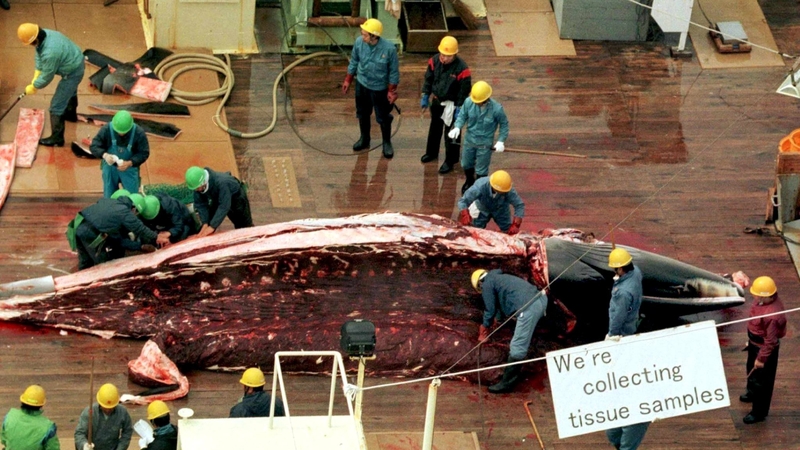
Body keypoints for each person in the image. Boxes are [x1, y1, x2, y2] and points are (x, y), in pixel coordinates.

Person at [471, 269, 547, 393]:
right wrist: (498, 320)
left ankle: (507, 383)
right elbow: (500, 304)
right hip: (541, 300)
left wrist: (484, 328)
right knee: (526, 330)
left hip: (529, 308)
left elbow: (489, 309)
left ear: (479, 284)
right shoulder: (500, 278)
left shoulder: (487, 284)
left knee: (517, 347)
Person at [604, 247, 649, 450]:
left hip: (623, 330)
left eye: (615, 269)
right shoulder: (636, 272)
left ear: (621, 269)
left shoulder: (622, 293)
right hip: (634, 321)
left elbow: (618, 317)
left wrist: (612, 336)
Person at [17, 23, 84, 147]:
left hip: (73, 72)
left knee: (56, 106)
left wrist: (34, 85)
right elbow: (38, 52)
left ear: (35, 38)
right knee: (70, 91)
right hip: (75, 60)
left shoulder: (50, 52)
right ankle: (70, 115)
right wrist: (37, 72)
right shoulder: (45, 34)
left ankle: (57, 138)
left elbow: (47, 76)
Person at [342, 18, 400, 159]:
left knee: (383, 117)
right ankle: (364, 139)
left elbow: (393, 72)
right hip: (362, 85)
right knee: (362, 113)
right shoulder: (358, 43)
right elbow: (354, 61)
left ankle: (386, 142)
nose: (362, 37)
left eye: (365, 35)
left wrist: (391, 91)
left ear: (374, 36)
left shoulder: (389, 49)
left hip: (379, 89)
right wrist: (348, 80)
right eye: (362, 34)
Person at [420, 36, 472, 174]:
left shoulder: (462, 69)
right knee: (434, 128)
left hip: (453, 105)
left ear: (454, 54)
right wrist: (425, 94)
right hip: (437, 101)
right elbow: (428, 79)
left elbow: (464, 90)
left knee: (452, 133)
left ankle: (451, 160)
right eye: (442, 54)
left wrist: (460, 107)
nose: (444, 58)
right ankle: (431, 153)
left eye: (448, 56)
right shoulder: (434, 61)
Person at [740, 275, 786, 424]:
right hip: (754, 344)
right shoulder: (761, 302)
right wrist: (751, 341)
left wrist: (761, 358)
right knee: (751, 370)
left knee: (763, 382)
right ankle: (751, 392)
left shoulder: (772, 315)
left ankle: (759, 412)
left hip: (764, 350)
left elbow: (770, 341)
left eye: (757, 294)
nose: (754, 296)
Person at [448, 81, 509, 193]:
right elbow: (462, 116)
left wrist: (501, 141)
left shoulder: (497, 109)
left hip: (485, 143)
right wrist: (457, 127)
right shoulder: (468, 102)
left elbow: (504, 124)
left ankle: (479, 186)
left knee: (482, 168)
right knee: (466, 163)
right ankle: (469, 181)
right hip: (469, 140)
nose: (476, 103)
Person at [68, 194, 158, 270]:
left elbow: (117, 239)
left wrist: (140, 246)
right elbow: (140, 229)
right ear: (134, 208)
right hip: (91, 233)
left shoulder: (111, 203)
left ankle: (80, 286)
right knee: (103, 266)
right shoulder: (124, 211)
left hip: (78, 227)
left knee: (86, 262)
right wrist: (157, 237)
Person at [90, 111, 150, 198]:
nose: (120, 134)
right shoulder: (106, 129)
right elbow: (94, 146)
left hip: (129, 169)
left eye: (124, 132)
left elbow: (144, 153)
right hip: (110, 168)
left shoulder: (138, 133)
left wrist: (130, 162)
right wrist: (105, 155)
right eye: (117, 131)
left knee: (132, 198)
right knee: (109, 197)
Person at [185, 166, 252, 237]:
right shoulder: (198, 186)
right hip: (217, 196)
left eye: (197, 188)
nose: (196, 190)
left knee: (243, 225)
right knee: (209, 222)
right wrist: (205, 223)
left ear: (203, 182)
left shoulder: (221, 182)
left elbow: (224, 206)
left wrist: (212, 227)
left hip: (236, 198)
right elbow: (201, 204)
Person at [457, 170, 524, 234]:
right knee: (475, 230)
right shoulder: (480, 186)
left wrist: (516, 224)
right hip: (482, 209)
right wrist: (465, 214)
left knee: (508, 231)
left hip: (501, 210)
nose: (503, 192)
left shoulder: (507, 189)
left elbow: (519, 205)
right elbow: (463, 201)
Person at [75, 383, 133, 450]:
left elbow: (127, 431)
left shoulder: (122, 412)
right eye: (105, 407)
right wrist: (84, 445)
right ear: (99, 402)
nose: (108, 410)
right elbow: (79, 433)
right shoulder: (89, 412)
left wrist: (121, 448)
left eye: (111, 407)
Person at [1, 385, 59, 450]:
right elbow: (53, 448)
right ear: (41, 405)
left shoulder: (10, 416)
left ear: (22, 401)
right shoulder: (48, 427)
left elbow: (4, 439)